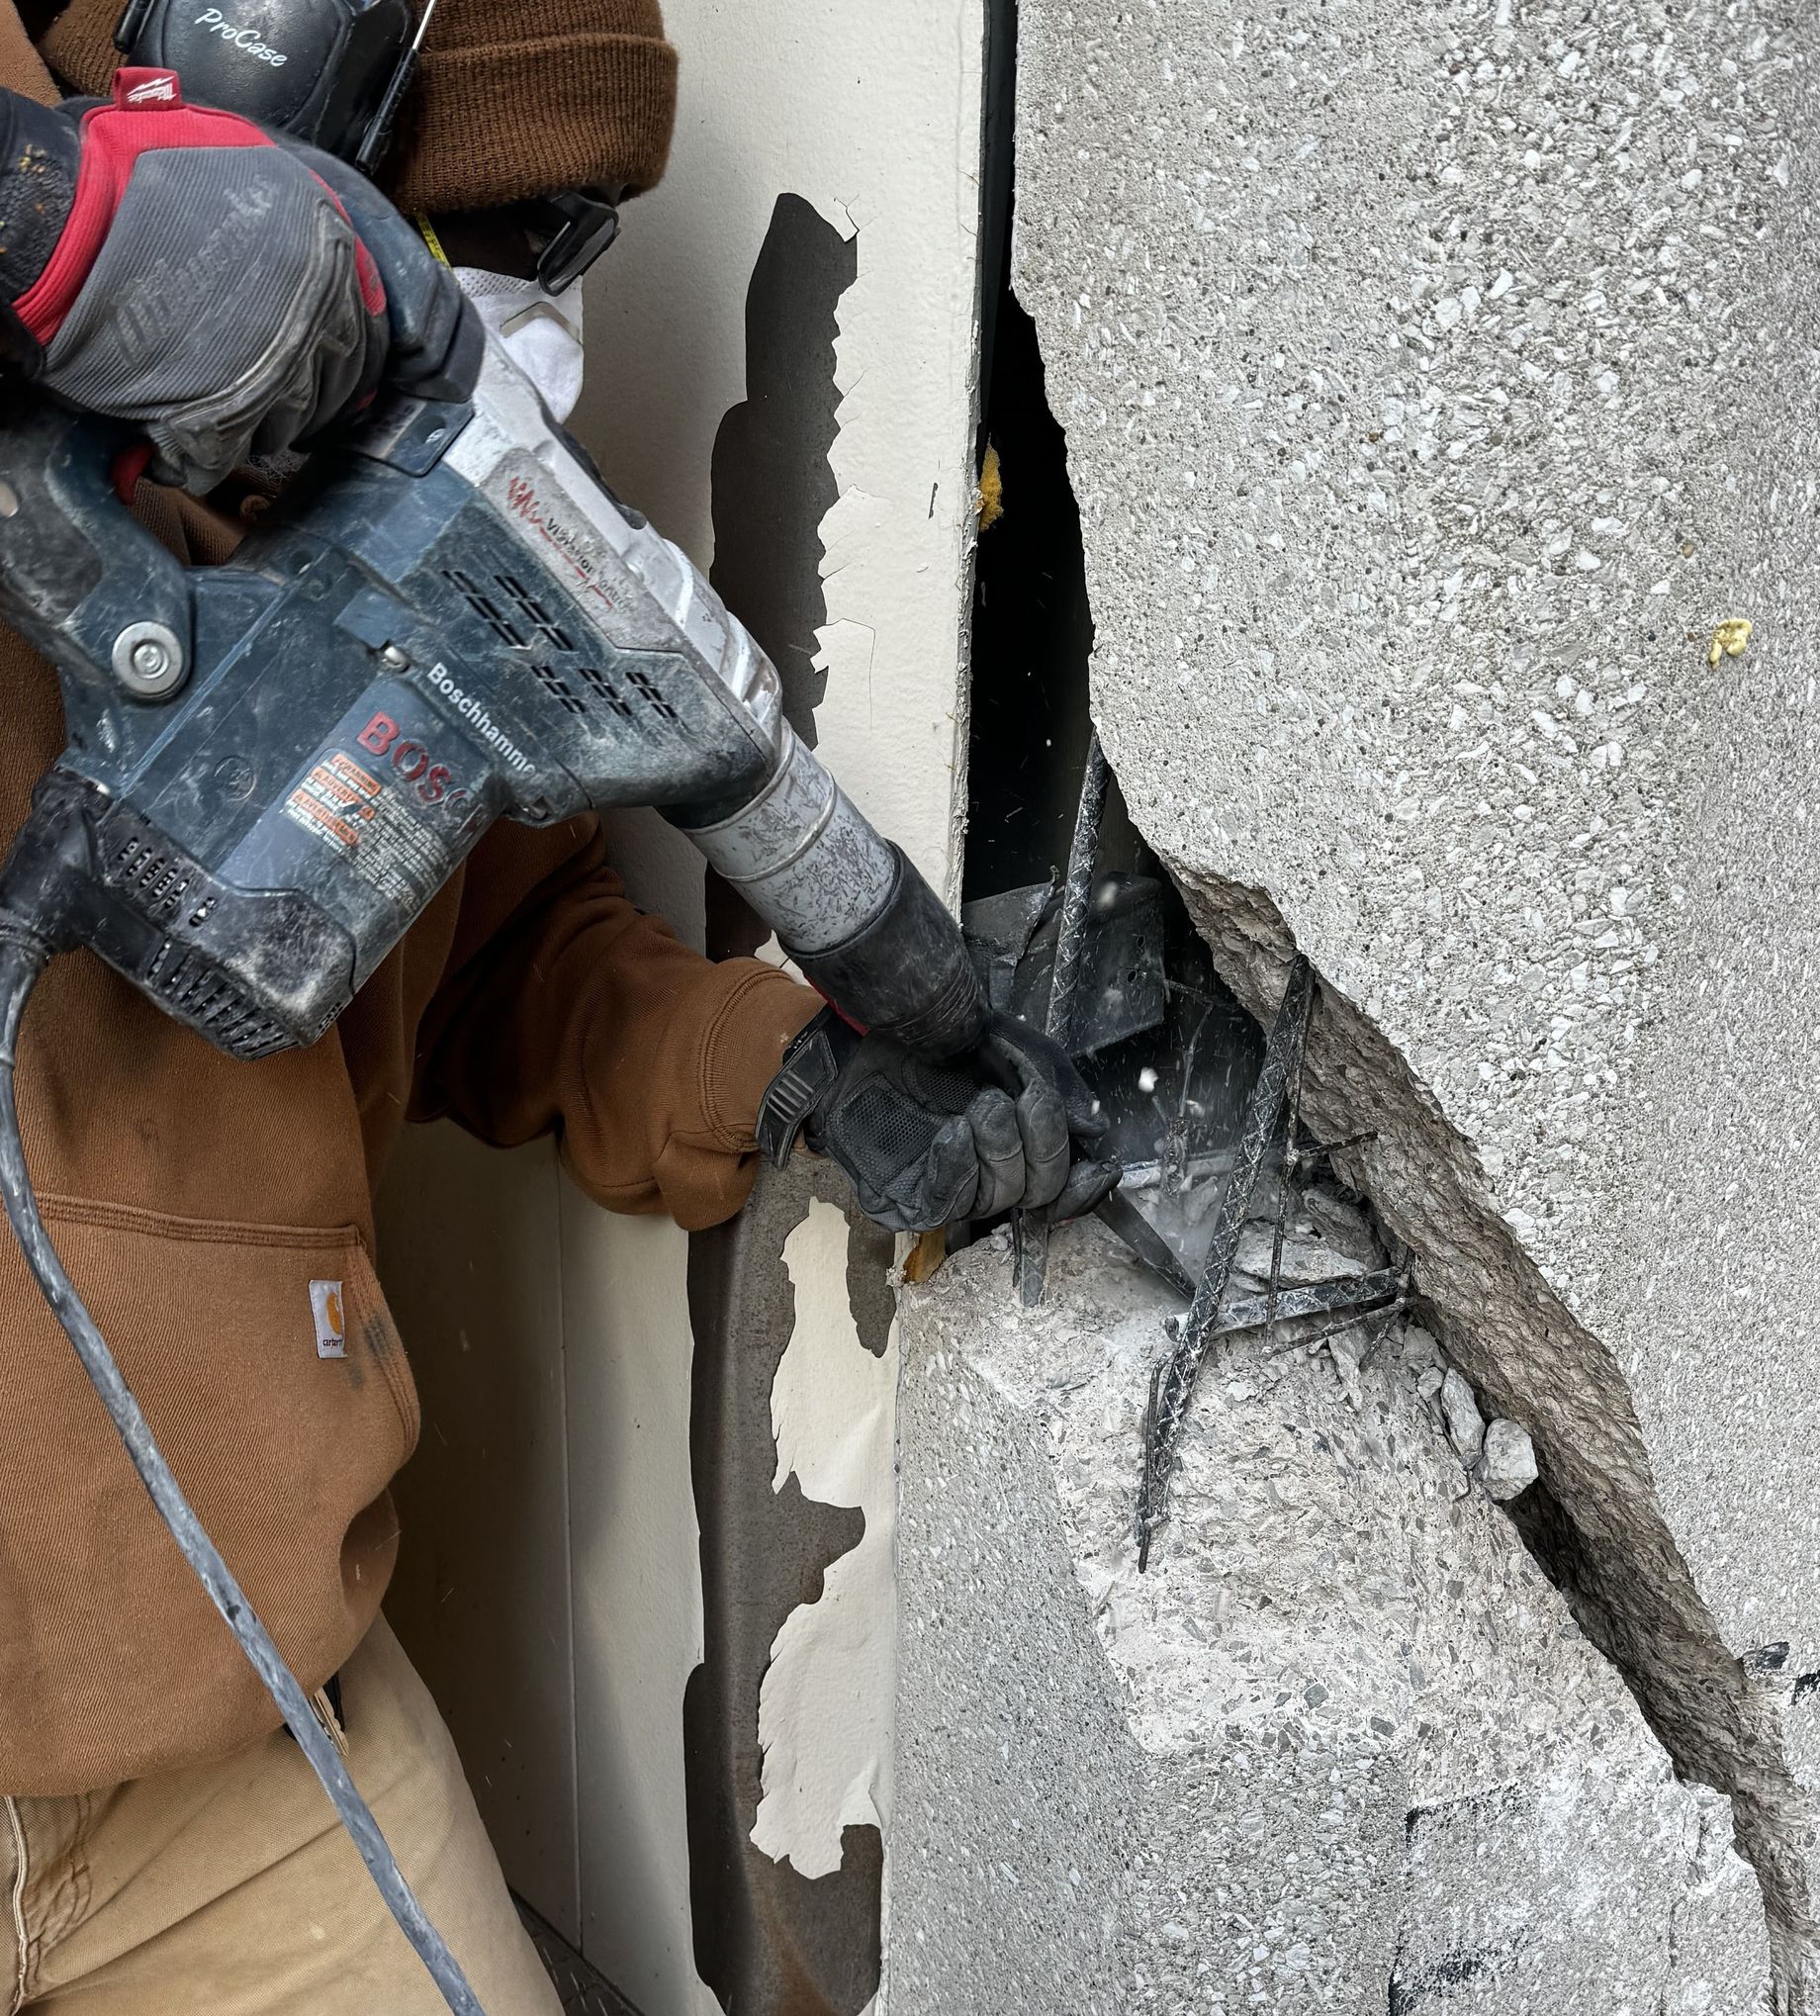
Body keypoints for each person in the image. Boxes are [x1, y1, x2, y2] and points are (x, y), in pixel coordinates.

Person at [0, 2, 1111, 2009]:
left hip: (229, 1694)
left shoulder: (382, 559)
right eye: (467, 228)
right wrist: (46, 232)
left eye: (563, 240)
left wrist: (789, 1079)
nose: (500, 321)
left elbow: (508, 944)